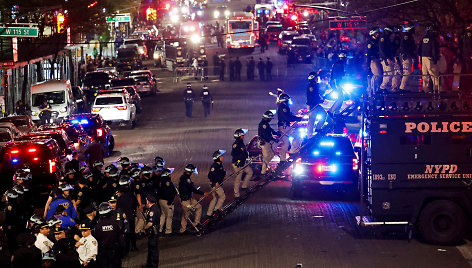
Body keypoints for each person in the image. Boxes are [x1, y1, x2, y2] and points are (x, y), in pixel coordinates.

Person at [178, 164, 208, 234]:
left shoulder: (186, 177)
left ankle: (195, 223)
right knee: (186, 214)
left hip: (190, 198)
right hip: (185, 200)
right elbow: (192, 189)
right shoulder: (185, 178)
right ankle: (183, 230)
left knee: (199, 207)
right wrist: (203, 193)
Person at [94, 202, 123, 268]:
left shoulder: (97, 226)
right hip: (115, 252)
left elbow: (96, 239)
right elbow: (120, 238)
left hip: (103, 254)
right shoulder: (115, 224)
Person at [277, 93, 302, 163]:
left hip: (282, 127)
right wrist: (297, 119)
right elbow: (288, 118)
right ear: (285, 100)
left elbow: (290, 116)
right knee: (297, 135)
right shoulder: (284, 108)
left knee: (286, 143)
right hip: (285, 127)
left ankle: (282, 159)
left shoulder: (283, 107)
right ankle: (293, 151)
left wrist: (297, 117)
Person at [231, 128, 253, 198]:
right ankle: (236, 195)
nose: (243, 136)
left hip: (242, 163)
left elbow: (243, 153)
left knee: (250, 172)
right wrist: (238, 162)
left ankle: (244, 186)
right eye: (242, 135)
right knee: (238, 179)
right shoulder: (236, 144)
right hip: (237, 164)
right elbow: (234, 154)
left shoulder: (241, 143)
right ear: (239, 136)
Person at [418, 25, 440, 92]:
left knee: (425, 74)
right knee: (433, 74)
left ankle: (425, 89)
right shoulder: (433, 39)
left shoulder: (424, 38)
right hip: (430, 57)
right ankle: (436, 89)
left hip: (423, 57)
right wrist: (435, 58)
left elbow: (419, 49)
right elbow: (434, 49)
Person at [207, 150, 226, 218]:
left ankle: (209, 213)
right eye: (221, 156)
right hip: (215, 185)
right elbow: (210, 175)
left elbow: (221, 173)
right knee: (222, 196)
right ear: (218, 158)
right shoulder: (214, 166)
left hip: (218, 183)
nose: (222, 157)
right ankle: (216, 209)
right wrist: (216, 182)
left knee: (214, 198)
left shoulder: (220, 164)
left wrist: (223, 177)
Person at [258, 110, 278, 175]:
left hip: (267, 142)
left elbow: (270, 131)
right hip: (264, 142)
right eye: (270, 118)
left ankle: (266, 167)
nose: (270, 120)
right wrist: (273, 139)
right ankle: (263, 172)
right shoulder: (263, 124)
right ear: (267, 117)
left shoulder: (266, 124)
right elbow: (265, 135)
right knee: (266, 157)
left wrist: (277, 133)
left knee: (271, 155)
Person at [157, 168, 177, 235]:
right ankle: (168, 231)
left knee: (163, 215)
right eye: (169, 174)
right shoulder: (168, 182)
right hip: (167, 201)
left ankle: (159, 229)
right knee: (169, 216)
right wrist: (170, 200)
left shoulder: (160, 181)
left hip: (160, 200)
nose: (170, 176)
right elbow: (172, 192)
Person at [399, 23, 417, 92]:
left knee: (408, 72)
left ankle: (404, 87)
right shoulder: (406, 36)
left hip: (408, 56)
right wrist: (409, 54)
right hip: (406, 56)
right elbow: (404, 47)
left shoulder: (409, 36)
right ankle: (402, 87)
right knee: (407, 72)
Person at [144, 194, 160, 267]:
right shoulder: (153, 208)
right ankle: (149, 264)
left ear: (149, 201)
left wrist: (144, 228)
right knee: (151, 249)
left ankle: (154, 265)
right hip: (151, 232)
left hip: (153, 232)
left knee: (153, 249)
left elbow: (150, 223)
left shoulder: (153, 210)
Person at [379, 27, 395, 92]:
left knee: (387, 73)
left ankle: (384, 87)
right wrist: (387, 58)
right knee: (389, 73)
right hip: (385, 59)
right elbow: (382, 50)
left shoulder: (386, 38)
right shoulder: (383, 38)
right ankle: (382, 87)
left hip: (387, 58)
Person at [367, 27, 382, 93]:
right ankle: (373, 90)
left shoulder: (378, 41)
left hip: (379, 59)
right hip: (373, 60)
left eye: (378, 33)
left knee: (380, 75)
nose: (378, 34)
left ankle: (377, 89)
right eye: (376, 33)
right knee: (376, 74)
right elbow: (369, 53)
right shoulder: (370, 42)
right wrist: (368, 64)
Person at [460, 24, 472, 90]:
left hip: (465, 54)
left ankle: (465, 88)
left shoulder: (464, 33)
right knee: (469, 70)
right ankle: (468, 88)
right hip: (468, 55)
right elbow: (469, 44)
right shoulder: (469, 33)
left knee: (466, 70)